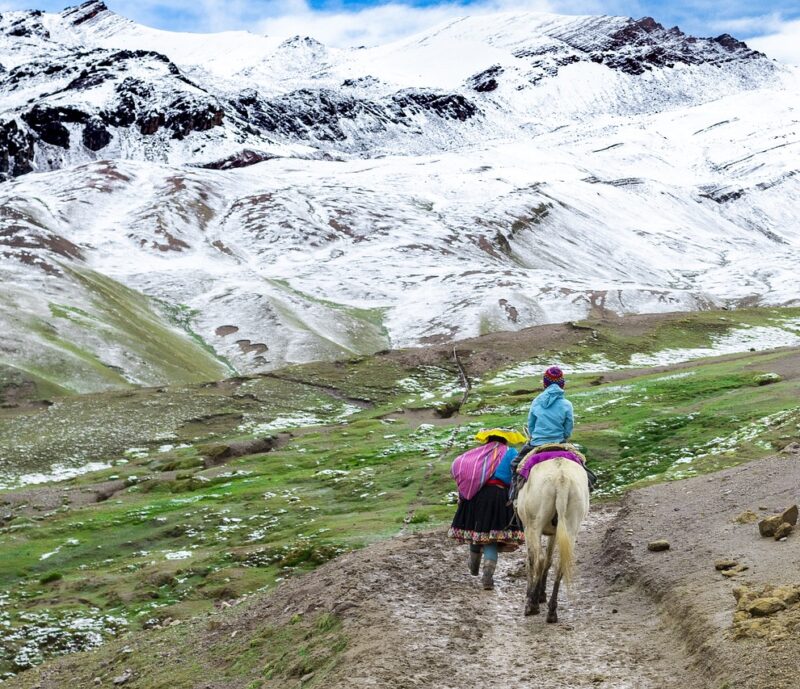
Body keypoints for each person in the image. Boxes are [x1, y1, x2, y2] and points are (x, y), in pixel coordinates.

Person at [448, 428, 526, 590]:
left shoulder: (477, 453)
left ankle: (474, 565)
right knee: (490, 538)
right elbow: (517, 475)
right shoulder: (510, 452)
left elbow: (460, 466)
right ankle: (487, 578)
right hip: (498, 496)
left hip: (475, 495)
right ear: (505, 440)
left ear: (488, 439)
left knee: (477, 531)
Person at [527, 366, 573, 445]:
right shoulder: (567, 405)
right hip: (559, 441)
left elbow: (531, 424)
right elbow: (569, 426)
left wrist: (532, 436)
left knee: (520, 457)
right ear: (562, 385)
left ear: (545, 384)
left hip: (537, 442)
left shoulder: (536, 402)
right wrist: (565, 437)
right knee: (578, 457)